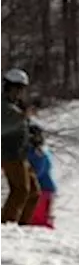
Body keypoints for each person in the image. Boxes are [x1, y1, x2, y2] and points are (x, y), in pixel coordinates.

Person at [0, 68, 37, 225]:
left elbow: (22, 125)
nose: (19, 93)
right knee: (21, 190)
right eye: (17, 89)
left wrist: (34, 135)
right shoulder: (3, 106)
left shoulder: (16, 106)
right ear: (8, 87)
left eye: (21, 89)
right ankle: (6, 225)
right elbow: (4, 127)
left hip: (20, 153)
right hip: (9, 154)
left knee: (34, 192)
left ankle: (21, 226)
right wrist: (23, 117)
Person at [26, 123, 57, 229]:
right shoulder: (38, 152)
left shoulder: (36, 153)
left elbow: (37, 172)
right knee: (37, 219)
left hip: (42, 189)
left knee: (37, 221)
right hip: (44, 189)